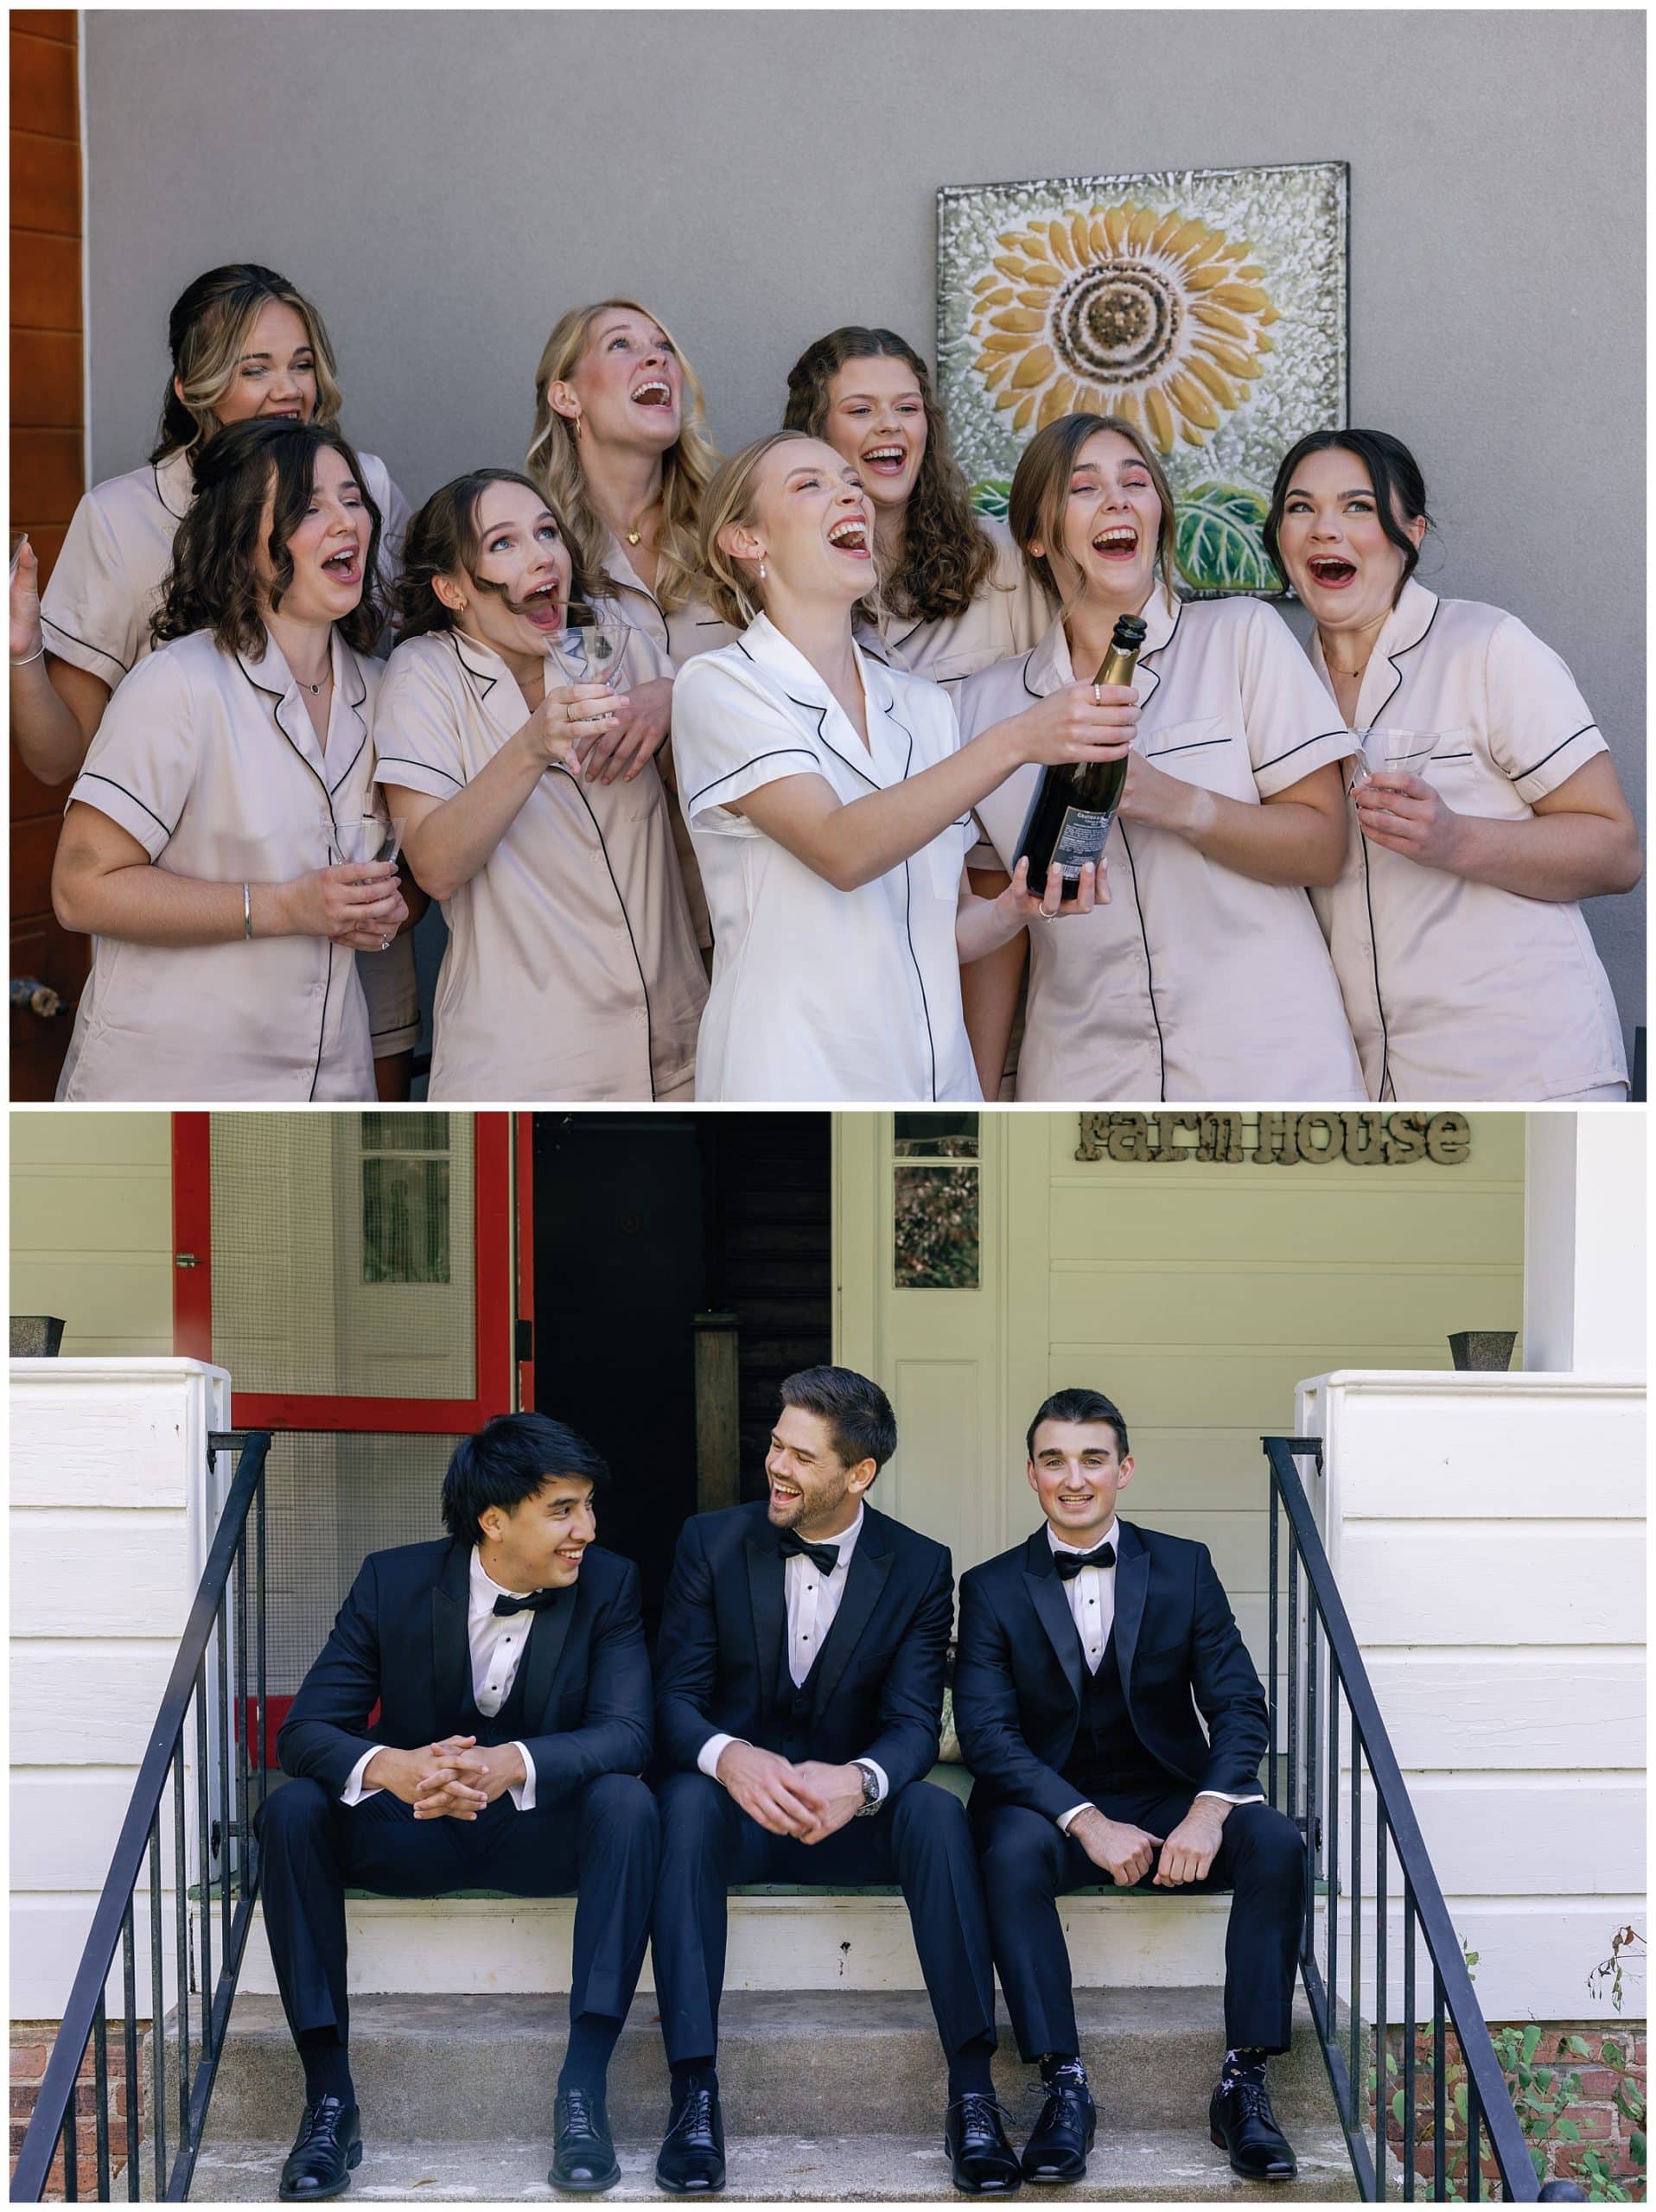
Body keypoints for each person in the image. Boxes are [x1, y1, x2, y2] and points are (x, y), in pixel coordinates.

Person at [10, 262, 420, 1096]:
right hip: (184, 1024)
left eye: (302, 363)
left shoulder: (374, 675)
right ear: (194, 387)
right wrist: (20, 658)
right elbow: (73, 816)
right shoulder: (169, 662)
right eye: (253, 366)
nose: (287, 389)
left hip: (329, 1016)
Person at [258, 1413, 659, 2200]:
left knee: (629, 1803)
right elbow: (305, 1729)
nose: (587, 1528)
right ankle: (329, 2099)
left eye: (587, 1507)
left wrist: (513, 1764)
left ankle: (583, 2090)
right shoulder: (393, 1579)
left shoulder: (611, 1584)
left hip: (538, 1834)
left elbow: (629, 1733)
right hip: (414, 1831)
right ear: (494, 1519)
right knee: (291, 1811)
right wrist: (396, 1769)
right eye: (564, 1510)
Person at [649, 1367, 1019, 2196]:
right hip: (733, 1817)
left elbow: (916, 1725)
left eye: (801, 1457)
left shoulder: (922, 1567)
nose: (776, 1467)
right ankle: (693, 2094)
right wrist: (729, 1758)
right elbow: (670, 1700)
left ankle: (973, 2095)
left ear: (859, 1474)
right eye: (776, 1445)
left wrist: (863, 1780)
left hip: (848, 1818)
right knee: (680, 1802)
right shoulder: (708, 1542)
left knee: (932, 1811)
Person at [671, 430, 1121, 1103]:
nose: (849, 490)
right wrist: (1017, 740)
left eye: (849, 481)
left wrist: (1015, 910)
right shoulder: (720, 686)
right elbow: (842, 849)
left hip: (935, 1087)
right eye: (810, 484)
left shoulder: (921, 706)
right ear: (746, 541)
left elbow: (943, 932)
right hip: (794, 1080)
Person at [953, 1389, 1306, 2186]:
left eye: (1092, 1459)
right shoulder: (990, 1587)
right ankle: (1063, 2086)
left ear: (1125, 1471)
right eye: (1054, 1461)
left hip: (1169, 1794)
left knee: (1279, 1843)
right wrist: (1083, 1820)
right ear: (1033, 1475)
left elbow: (1240, 1705)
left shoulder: (1183, 1565)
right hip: (1046, 1803)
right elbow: (987, 1737)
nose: (1073, 1478)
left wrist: (1209, 1812)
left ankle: (1243, 2083)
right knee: (1006, 1855)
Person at [960, 413, 1365, 1103]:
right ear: (1033, 535)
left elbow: (1323, 847)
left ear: (1157, 514)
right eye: (1084, 488)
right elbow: (999, 929)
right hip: (1083, 1077)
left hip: (1270, 1066)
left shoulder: (1242, 637)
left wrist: (1172, 800)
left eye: (1136, 482)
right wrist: (977, 1108)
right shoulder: (985, 709)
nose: (1118, 500)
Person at [1266, 429, 1640, 1101]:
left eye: (1357, 506)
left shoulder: (1489, 645)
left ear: (1412, 528)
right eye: (1300, 508)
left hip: (1532, 1074)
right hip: (1368, 1092)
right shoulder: (1280, 689)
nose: (1325, 529)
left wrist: (1455, 838)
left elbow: (1616, 853)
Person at [373, 469, 705, 1101]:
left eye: (546, 532)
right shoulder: (424, 675)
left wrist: (674, 694)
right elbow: (435, 867)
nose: (541, 555)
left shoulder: (610, 638)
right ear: (451, 589)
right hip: (531, 1066)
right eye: (503, 543)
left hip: (678, 1050)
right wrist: (531, 745)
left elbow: (708, 781)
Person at [783, 325, 1050, 1093]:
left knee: (972, 1117)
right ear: (816, 433)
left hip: (991, 912)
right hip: (846, 924)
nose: (890, 426)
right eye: (861, 409)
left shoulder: (999, 565)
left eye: (907, 407)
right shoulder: (787, 590)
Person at [527, 297, 733, 952]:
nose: (655, 357)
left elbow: (803, 675)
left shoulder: (735, 528)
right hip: (599, 916)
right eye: (621, 345)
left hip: (743, 895)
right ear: (566, 395)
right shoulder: (527, 545)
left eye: (663, 347)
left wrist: (682, 695)